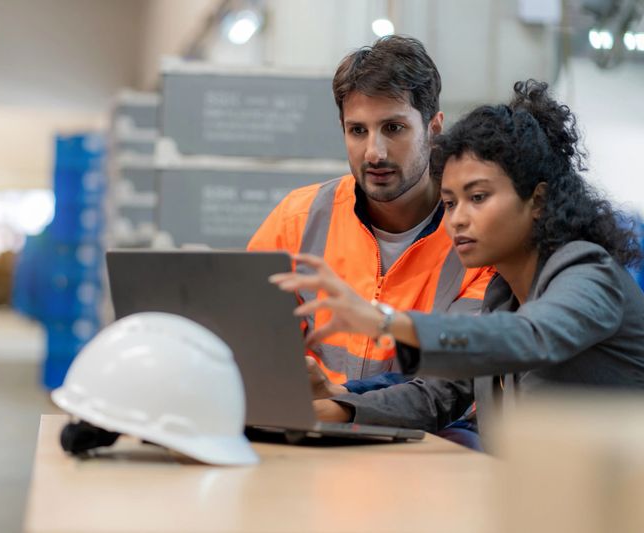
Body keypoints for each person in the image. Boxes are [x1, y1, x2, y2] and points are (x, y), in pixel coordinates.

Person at [269, 80, 644, 442]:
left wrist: (384, 321)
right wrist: (330, 408)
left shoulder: (591, 274)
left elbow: (531, 337)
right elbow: (436, 394)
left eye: (478, 197)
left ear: (539, 201)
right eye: (450, 203)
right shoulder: (503, 297)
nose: (458, 219)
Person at [248, 35, 494, 441]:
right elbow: (245, 337)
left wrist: (340, 400)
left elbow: (445, 390)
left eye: (393, 128)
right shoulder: (298, 218)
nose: (374, 152)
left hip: (429, 433)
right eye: (357, 130)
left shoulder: (477, 235)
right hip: (302, 422)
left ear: (434, 128)